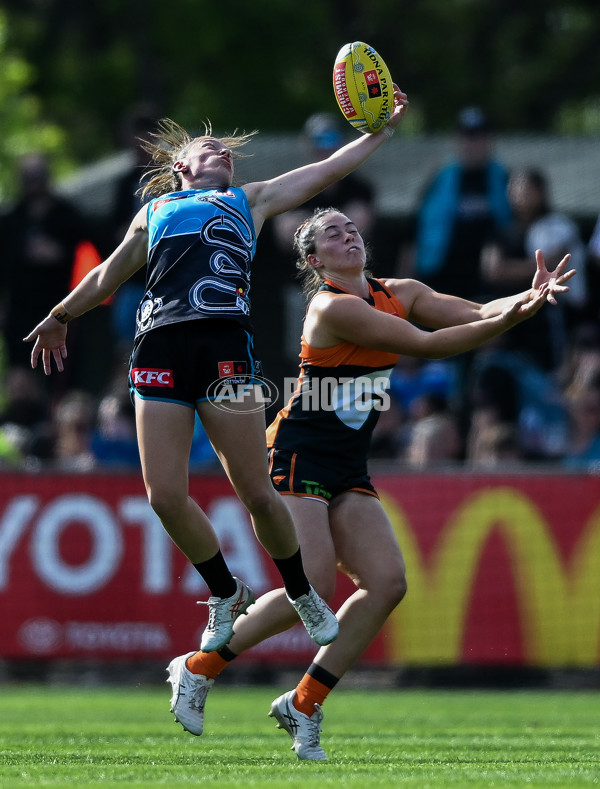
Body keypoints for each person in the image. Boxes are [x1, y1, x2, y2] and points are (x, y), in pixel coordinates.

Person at [165, 207, 575, 760]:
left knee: (386, 582)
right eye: (331, 233)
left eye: (351, 227)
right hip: (297, 452)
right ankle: (197, 667)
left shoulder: (399, 290)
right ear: (315, 260)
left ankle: (304, 703)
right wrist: (512, 319)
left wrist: (525, 298)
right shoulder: (332, 307)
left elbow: (474, 310)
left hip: (347, 464)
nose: (347, 234)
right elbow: (428, 345)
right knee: (311, 586)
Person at [23, 88, 409, 657]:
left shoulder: (248, 201)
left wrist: (379, 132)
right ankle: (225, 592)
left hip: (224, 347)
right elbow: (106, 275)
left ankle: (302, 593)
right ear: (181, 166)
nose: (224, 155)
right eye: (210, 149)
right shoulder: (152, 213)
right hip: (157, 349)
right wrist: (60, 316)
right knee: (164, 497)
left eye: (227, 152)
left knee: (257, 492)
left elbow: (325, 172)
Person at [412, 106, 512, 302]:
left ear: (490, 139)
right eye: (467, 136)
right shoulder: (439, 180)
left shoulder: (505, 180)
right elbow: (413, 232)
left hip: (489, 287)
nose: (473, 143)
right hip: (440, 283)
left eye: (479, 136)